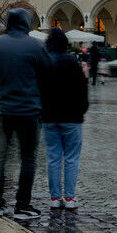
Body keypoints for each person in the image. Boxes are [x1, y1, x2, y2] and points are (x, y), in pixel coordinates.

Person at [0, 8, 50, 221]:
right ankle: (22, 205)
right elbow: (48, 70)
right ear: (26, 23)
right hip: (29, 110)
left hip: (5, 110)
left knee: (2, 157)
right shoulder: (36, 45)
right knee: (28, 158)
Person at [39, 28, 89, 210]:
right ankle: (69, 198)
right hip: (72, 118)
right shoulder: (72, 62)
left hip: (49, 118)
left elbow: (39, 90)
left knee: (53, 158)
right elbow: (82, 90)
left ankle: (54, 197)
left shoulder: (43, 63)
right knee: (71, 158)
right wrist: (82, 110)